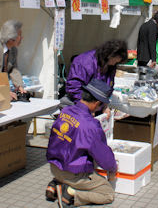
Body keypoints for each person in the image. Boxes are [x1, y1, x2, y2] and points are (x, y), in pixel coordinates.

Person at [46, 79, 118, 207]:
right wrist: (113, 167)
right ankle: (71, 193)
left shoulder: (65, 111)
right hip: (73, 174)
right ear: (97, 103)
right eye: (101, 105)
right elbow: (105, 159)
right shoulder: (90, 125)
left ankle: (56, 183)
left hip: (54, 166)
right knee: (107, 194)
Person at [62, 40, 128, 107]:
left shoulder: (111, 66)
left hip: (95, 105)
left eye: (117, 62)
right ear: (109, 55)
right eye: (114, 60)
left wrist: (104, 106)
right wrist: (87, 106)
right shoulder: (84, 61)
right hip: (79, 102)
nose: (114, 63)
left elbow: (109, 86)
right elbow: (74, 86)